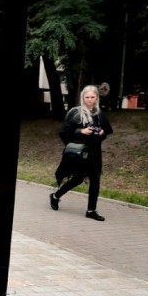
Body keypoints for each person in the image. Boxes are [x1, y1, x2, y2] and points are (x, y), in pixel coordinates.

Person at [50, 85, 114, 221]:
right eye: (87, 97)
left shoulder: (100, 114)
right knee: (77, 179)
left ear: (97, 97)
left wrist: (102, 133)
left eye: (92, 97)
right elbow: (64, 132)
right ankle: (55, 196)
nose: (89, 100)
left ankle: (91, 210)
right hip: (80, 153)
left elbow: (107, 131)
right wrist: (80, 131)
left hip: (95, 153)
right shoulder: (76, 113)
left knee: (95, 180)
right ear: (82, 97)